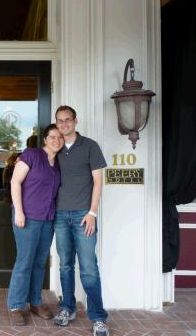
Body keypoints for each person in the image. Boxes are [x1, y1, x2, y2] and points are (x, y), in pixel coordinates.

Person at [52, 106, 109, 336]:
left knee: (88, 269)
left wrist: (92, 213)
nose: (64, 124)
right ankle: (67, 308)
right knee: (65, 265)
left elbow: (98, 182)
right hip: (59, 215)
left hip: (83, 216)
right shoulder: (53, 148)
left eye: (67, 120)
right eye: (59, 121)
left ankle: (98, 318)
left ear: (76, 121)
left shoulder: (90, 146)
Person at [7, 124, 64, 326]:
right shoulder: (31, 155)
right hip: (27, 217)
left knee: (40, 262)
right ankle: (16, 305)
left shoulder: (57, 164)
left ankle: (35, 302)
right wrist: (19, 211)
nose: (56, 140)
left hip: (47, 219)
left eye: (60, 137)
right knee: (24, 262)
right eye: (52, 137)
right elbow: (15, 182)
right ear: (45, 140)